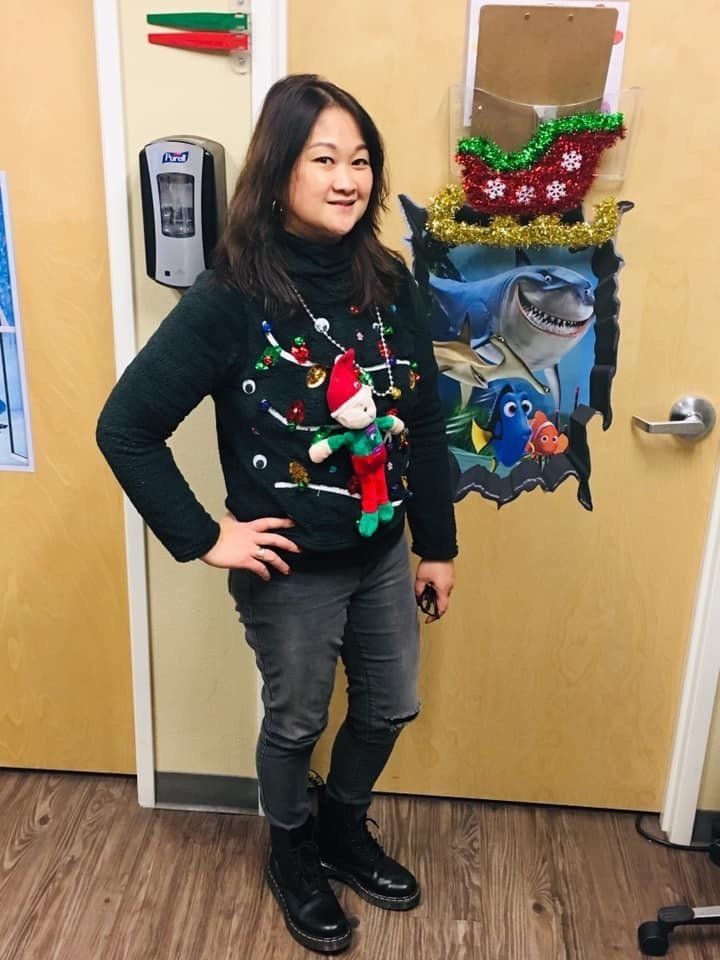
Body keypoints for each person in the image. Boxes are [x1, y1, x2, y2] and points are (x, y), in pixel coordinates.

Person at [97, 74, 457, 955]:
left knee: (390, 706)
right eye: (323, 159)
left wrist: (437, 545)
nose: (348, 179)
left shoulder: (387, 278)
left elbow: (419, 417)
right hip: (289, 567)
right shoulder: (232, 296)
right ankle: (291, 849)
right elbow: (127, 427)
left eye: (361, 160)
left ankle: (341, 827)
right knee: (296, 722)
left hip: (381, 547)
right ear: (280, 171)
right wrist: (206, 535)